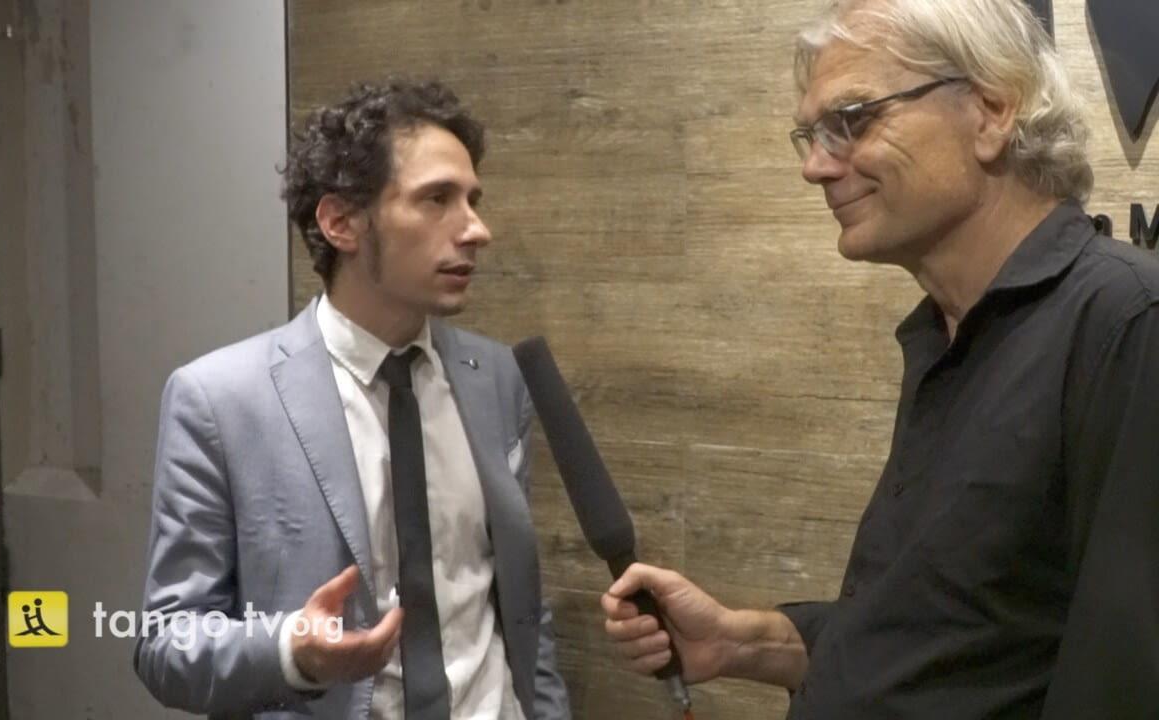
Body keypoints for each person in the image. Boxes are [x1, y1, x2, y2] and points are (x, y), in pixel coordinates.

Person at [601, 1, 1159, 718]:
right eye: (811, 135)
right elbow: (950, 637)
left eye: (853, 119)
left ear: (991, 112)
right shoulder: (946, 334)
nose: (815, 166)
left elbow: (1122, 680)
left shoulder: (1126, 324)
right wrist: (747, 643)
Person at [135, 79, 570, 719]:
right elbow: (166, 644)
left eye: (472, 200)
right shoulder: (220, 400)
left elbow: (518, 604)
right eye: (437, 200)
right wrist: (294, 653)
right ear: (340, 222)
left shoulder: (497, 377)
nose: (477, 230)